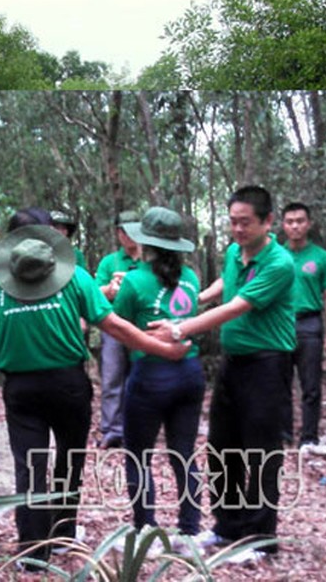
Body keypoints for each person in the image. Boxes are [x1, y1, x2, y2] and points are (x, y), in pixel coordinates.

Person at [0, 214, 189, 571]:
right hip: (68, 385)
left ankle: (34, 552)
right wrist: (164, 348)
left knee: (30, 466)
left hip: (21, 388)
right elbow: (114, 326)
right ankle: (64, 533)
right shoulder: (75, 278)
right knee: (70, 460)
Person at [149, 186, 295, 561]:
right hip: (235, 363)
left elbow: (238, 306)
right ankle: (228, 527)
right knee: (222, 446)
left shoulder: (279, 263)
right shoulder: (234, 252)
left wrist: (183, 328)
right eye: (232, 221)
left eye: (245, 222)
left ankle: (261, 538)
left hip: (268, 363)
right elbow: (226, 288)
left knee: (261, 452)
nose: (237, 229)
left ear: (268, 222)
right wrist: (194, 300)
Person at [112, 207, 205, 547]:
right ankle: (190, 530)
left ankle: (146, 528)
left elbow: (117, 326)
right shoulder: (192, 278)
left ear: (145, 242)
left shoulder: (134, 279)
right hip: (190, 373)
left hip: (149, 374)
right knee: (183, 453)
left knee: (138, 454)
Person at [281, 202, 326, 455]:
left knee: (311, 386)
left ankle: (309, 439)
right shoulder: (275, 255)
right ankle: (282, 437)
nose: (295, 225)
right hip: (279, 325)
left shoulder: (321, 257)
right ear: (282, 225)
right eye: (290, 221)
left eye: (300, 220)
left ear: (309, 224)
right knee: (279, 383)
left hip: (309, 323)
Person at [94, 210, 142, 449]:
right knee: (112, 377)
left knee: (141, 376)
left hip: (142, 326)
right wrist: (110, 289)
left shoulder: (150, 260)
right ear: (118, 233)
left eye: (134, 231)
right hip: (113, 325)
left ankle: (139, 428)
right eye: (124, 231)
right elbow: (93, 293)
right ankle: (111, 429)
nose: (129, 236)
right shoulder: (109, 262)